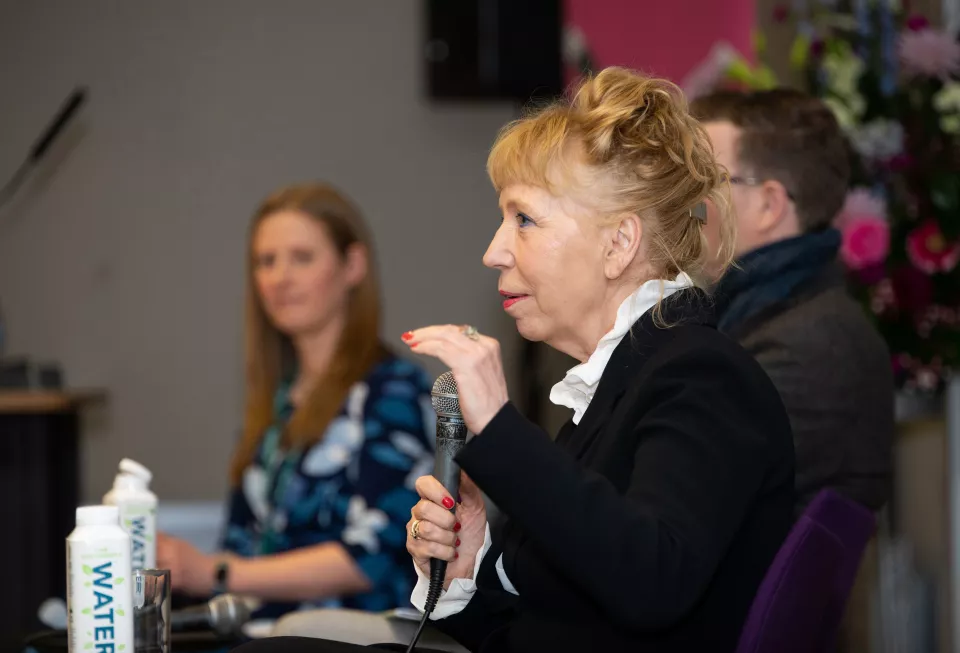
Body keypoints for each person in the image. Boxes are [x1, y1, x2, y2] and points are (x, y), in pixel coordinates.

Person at [232, 67, 795, 653]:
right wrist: (467, 571)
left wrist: (499, 427)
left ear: (618, 243)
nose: (493, 250)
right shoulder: (620, 384)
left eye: (523, 219)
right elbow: (542, 628)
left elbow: (651, 582)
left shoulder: (702, 374)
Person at [157, 182, 436, 619]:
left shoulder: (394, 393)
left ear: (352, 265)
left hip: (349, 637)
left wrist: (215, 572)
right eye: (266, 261)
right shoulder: (278, 402)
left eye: (302, 258)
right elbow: (242, 541)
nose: (280, 277)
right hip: (255, 630)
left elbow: (371, 558)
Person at [690, 89, 894, 517]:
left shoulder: (811, 346)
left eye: (702, 184)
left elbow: (677, 509)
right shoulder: (785, 319)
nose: (687, 206)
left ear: (769, 204)